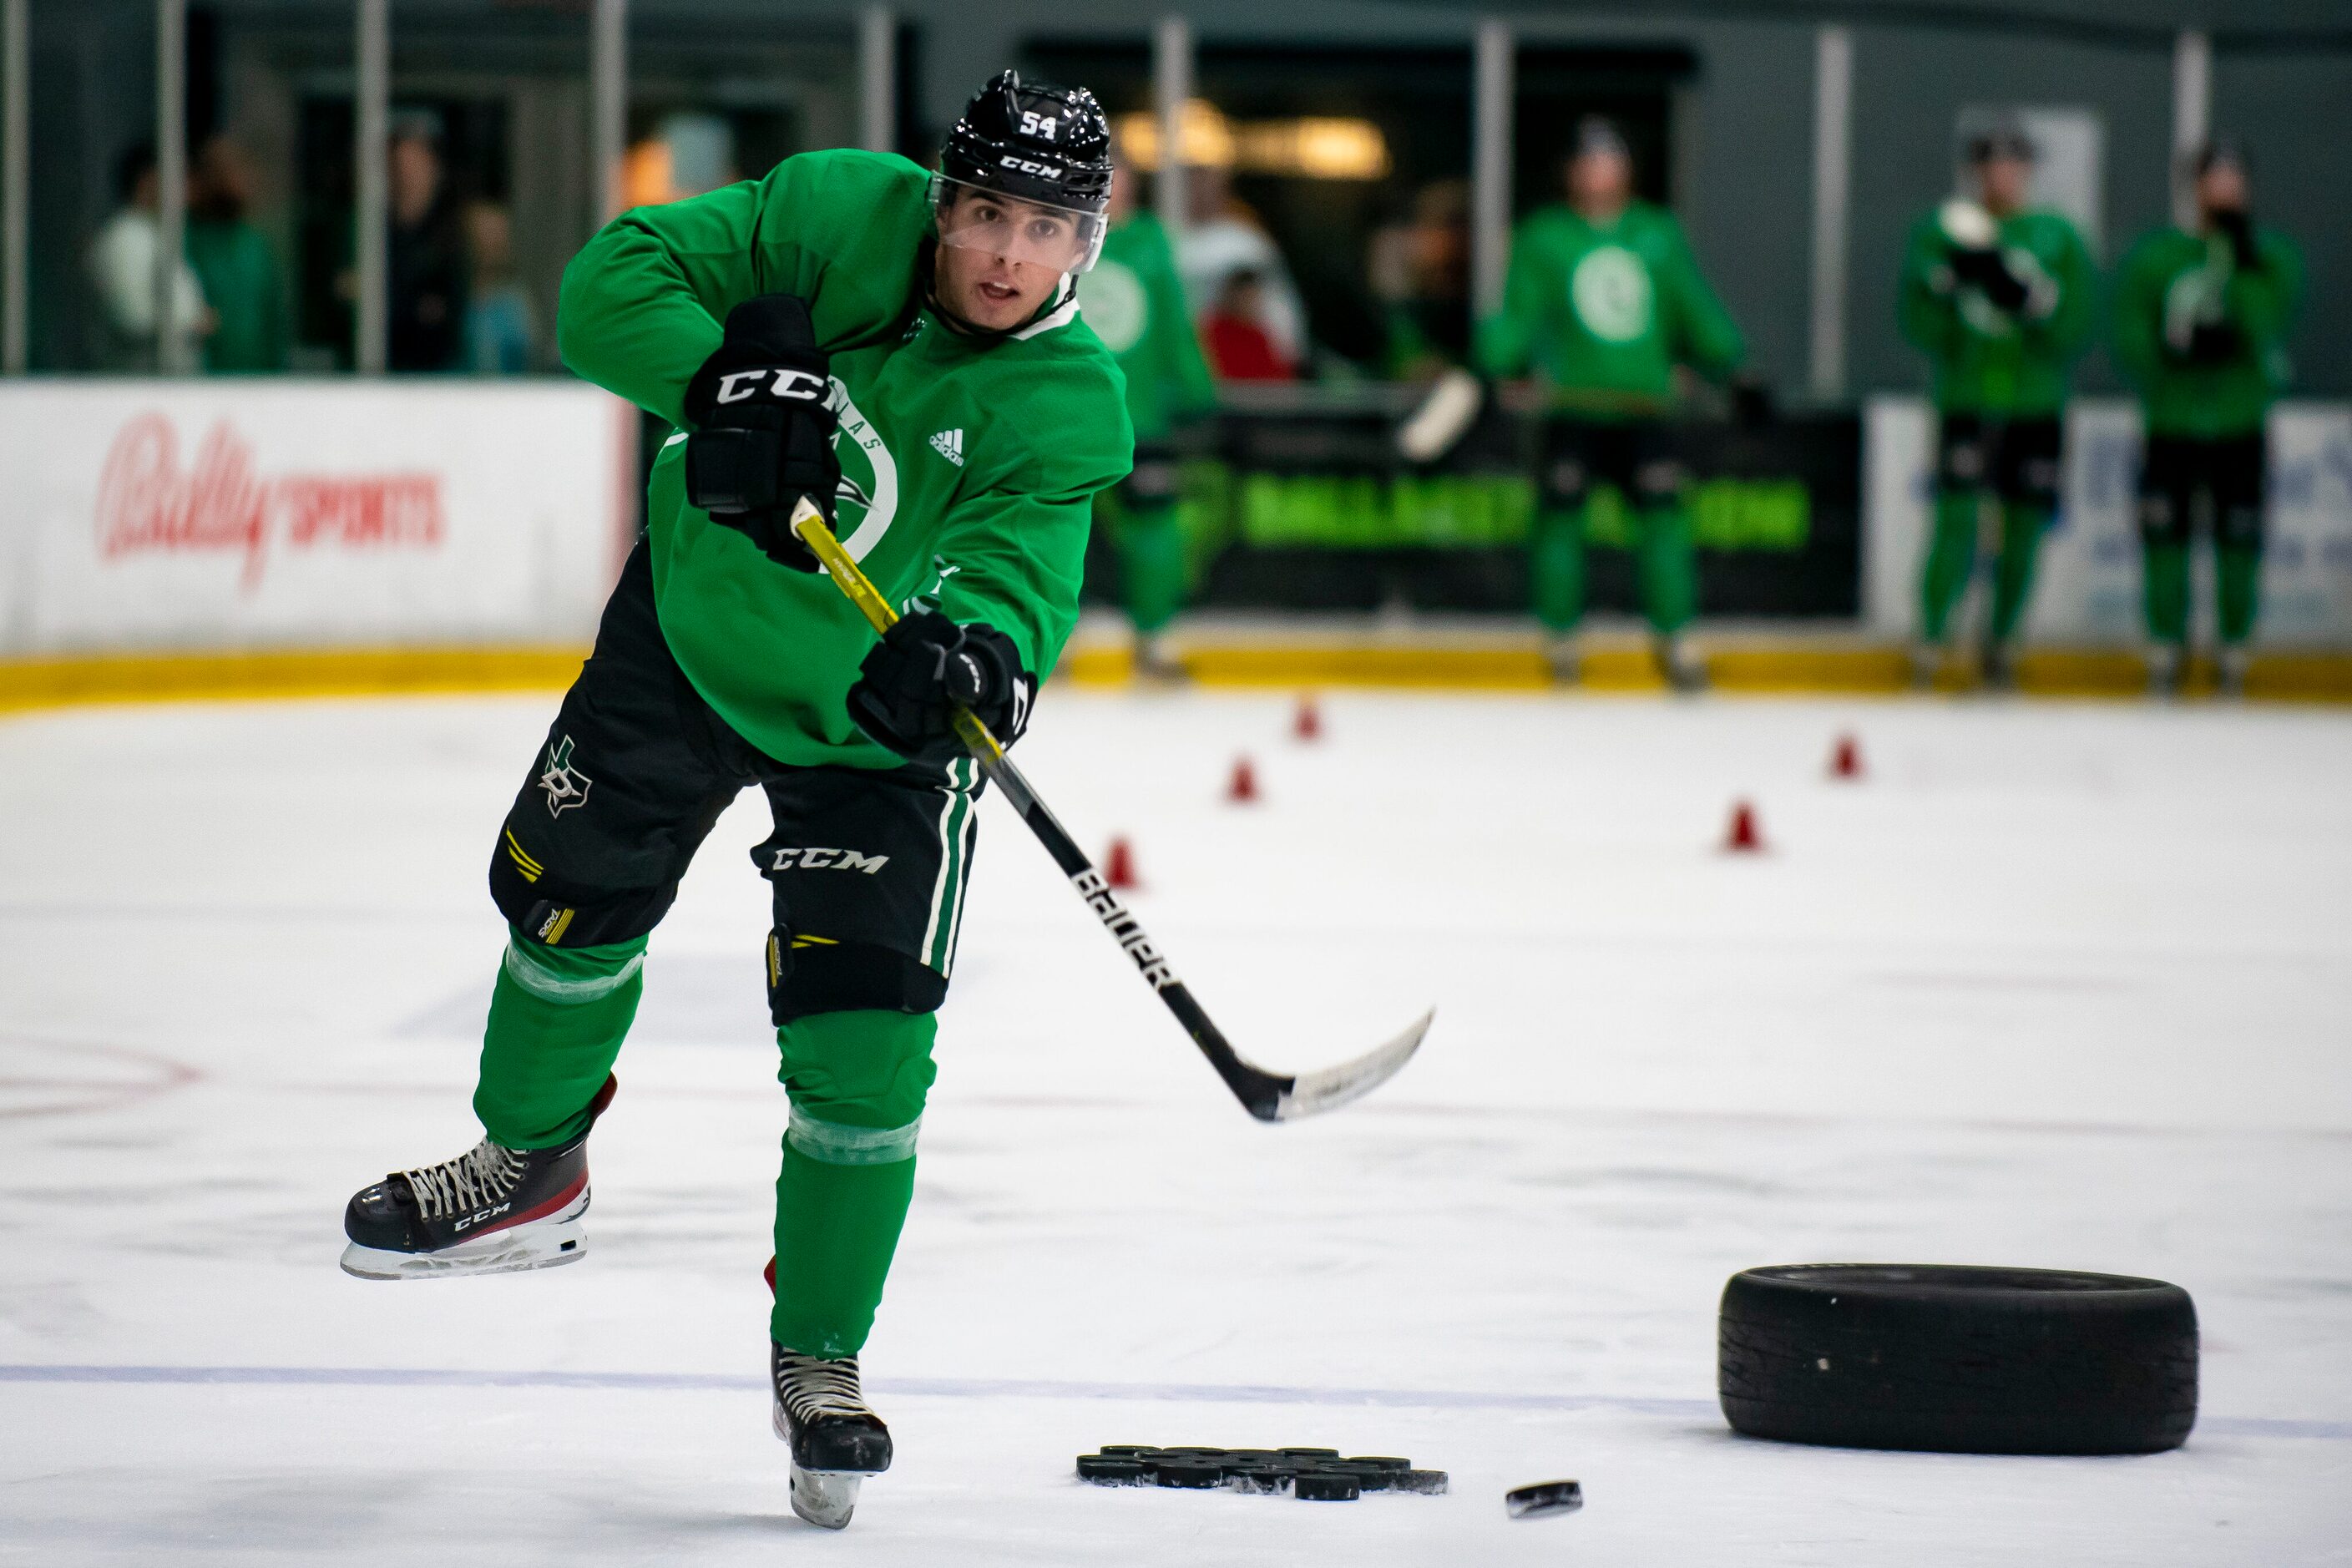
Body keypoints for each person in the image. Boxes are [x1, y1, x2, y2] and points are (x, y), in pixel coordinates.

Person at [336, 72, 1130, 1530]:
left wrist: (971, 650)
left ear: (1088, 240)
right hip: (687, 645)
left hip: (868, 737)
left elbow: (1021, 565)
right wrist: (720, 383)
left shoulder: (1071, 400)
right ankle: (530, 1161)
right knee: (561, 910)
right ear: (940, 202)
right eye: (985, 214)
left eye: (1045, 224)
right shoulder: (834, 210)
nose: (1008, 253)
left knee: (863, 1041)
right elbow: (606, 288)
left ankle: (820, 1358)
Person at [1474, 115, 1748, 690]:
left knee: (1664, 524)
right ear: (1570, 173)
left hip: (1644, 407)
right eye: (1586, 162)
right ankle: (1561, 641)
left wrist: (1729, 361)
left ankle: (1675, 640)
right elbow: (1518, 313)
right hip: (1572, 407)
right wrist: (1498, 359)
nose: (1597, 173)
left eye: (1608, 161)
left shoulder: (1657, 234)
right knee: (1559, 523)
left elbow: (1691, 305)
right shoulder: (1544, 236)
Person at [1896, 123, 2096, 690]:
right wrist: (1948, 285)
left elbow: (2075, 326)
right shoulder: (1943, 231)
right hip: (1966, 398)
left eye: (2012, 166)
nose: (2002, 178)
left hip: (2033, 404)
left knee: (2023, 528)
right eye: (1991, 167)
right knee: (1954, 521)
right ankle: (1931, 639)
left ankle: (2002, 643)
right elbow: (1916, 322)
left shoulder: (2056, 236)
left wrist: (2030, 305)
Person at [2112, 139, 2304, 698]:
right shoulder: (2157, 256)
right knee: (2165, 535)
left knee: (2238, 539)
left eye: (2231, 180)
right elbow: (2131, 333)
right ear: (2192, 188)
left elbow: (2272, 328)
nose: (2221, 191)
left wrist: (2242, 278)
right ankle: (2165, 646)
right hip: (2171, 422)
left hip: (2238, 421)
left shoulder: (2268, 255)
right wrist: (2169, 354)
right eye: (2210, 180)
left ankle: (2232, 648)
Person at [1078, 149, 1217, 677]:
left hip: (1143, 420)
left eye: (1122, 183)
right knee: (1059, 528)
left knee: (1156, 531)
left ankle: (1153, 637)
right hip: (1071, 420)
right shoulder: (1062, 237)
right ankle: (1050, 638)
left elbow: (1174, 326)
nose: (1115, 193)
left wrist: (1197, 392)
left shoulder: (1153, 243)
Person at [86, 143, 210, 370]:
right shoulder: (124, 238)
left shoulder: (154, 235)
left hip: (165, 382)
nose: (185, 190)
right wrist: (192, 323)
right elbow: (131, 315)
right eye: (176, 180)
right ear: (146, 182)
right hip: (137, 382)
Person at [185, 134, 288, 373]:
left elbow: (274, 320)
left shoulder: (256, 244)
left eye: (240, 169)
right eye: (222, 171)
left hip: (258, 380)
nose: (234, 180)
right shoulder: (186, 241)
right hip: (199, 382)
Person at [386, 115, 468, 372]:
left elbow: (447, 312)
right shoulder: (374, 235)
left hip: (440, 371)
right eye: (401, 168)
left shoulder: (451, 234)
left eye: (416, 167)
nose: (408, 177)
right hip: (386, 368)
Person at [462, 200, 538, 374]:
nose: (488, 246)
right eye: (481, 237)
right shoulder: (456, 295)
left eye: (495, 238)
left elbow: (527, 359)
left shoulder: (515, 302)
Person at [1201, 269, 1295, 382]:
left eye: (1253, 297)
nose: (1249, 303)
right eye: (1245, 297)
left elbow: (1278, 378)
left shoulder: (1259, 336)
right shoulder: (1211, 332)